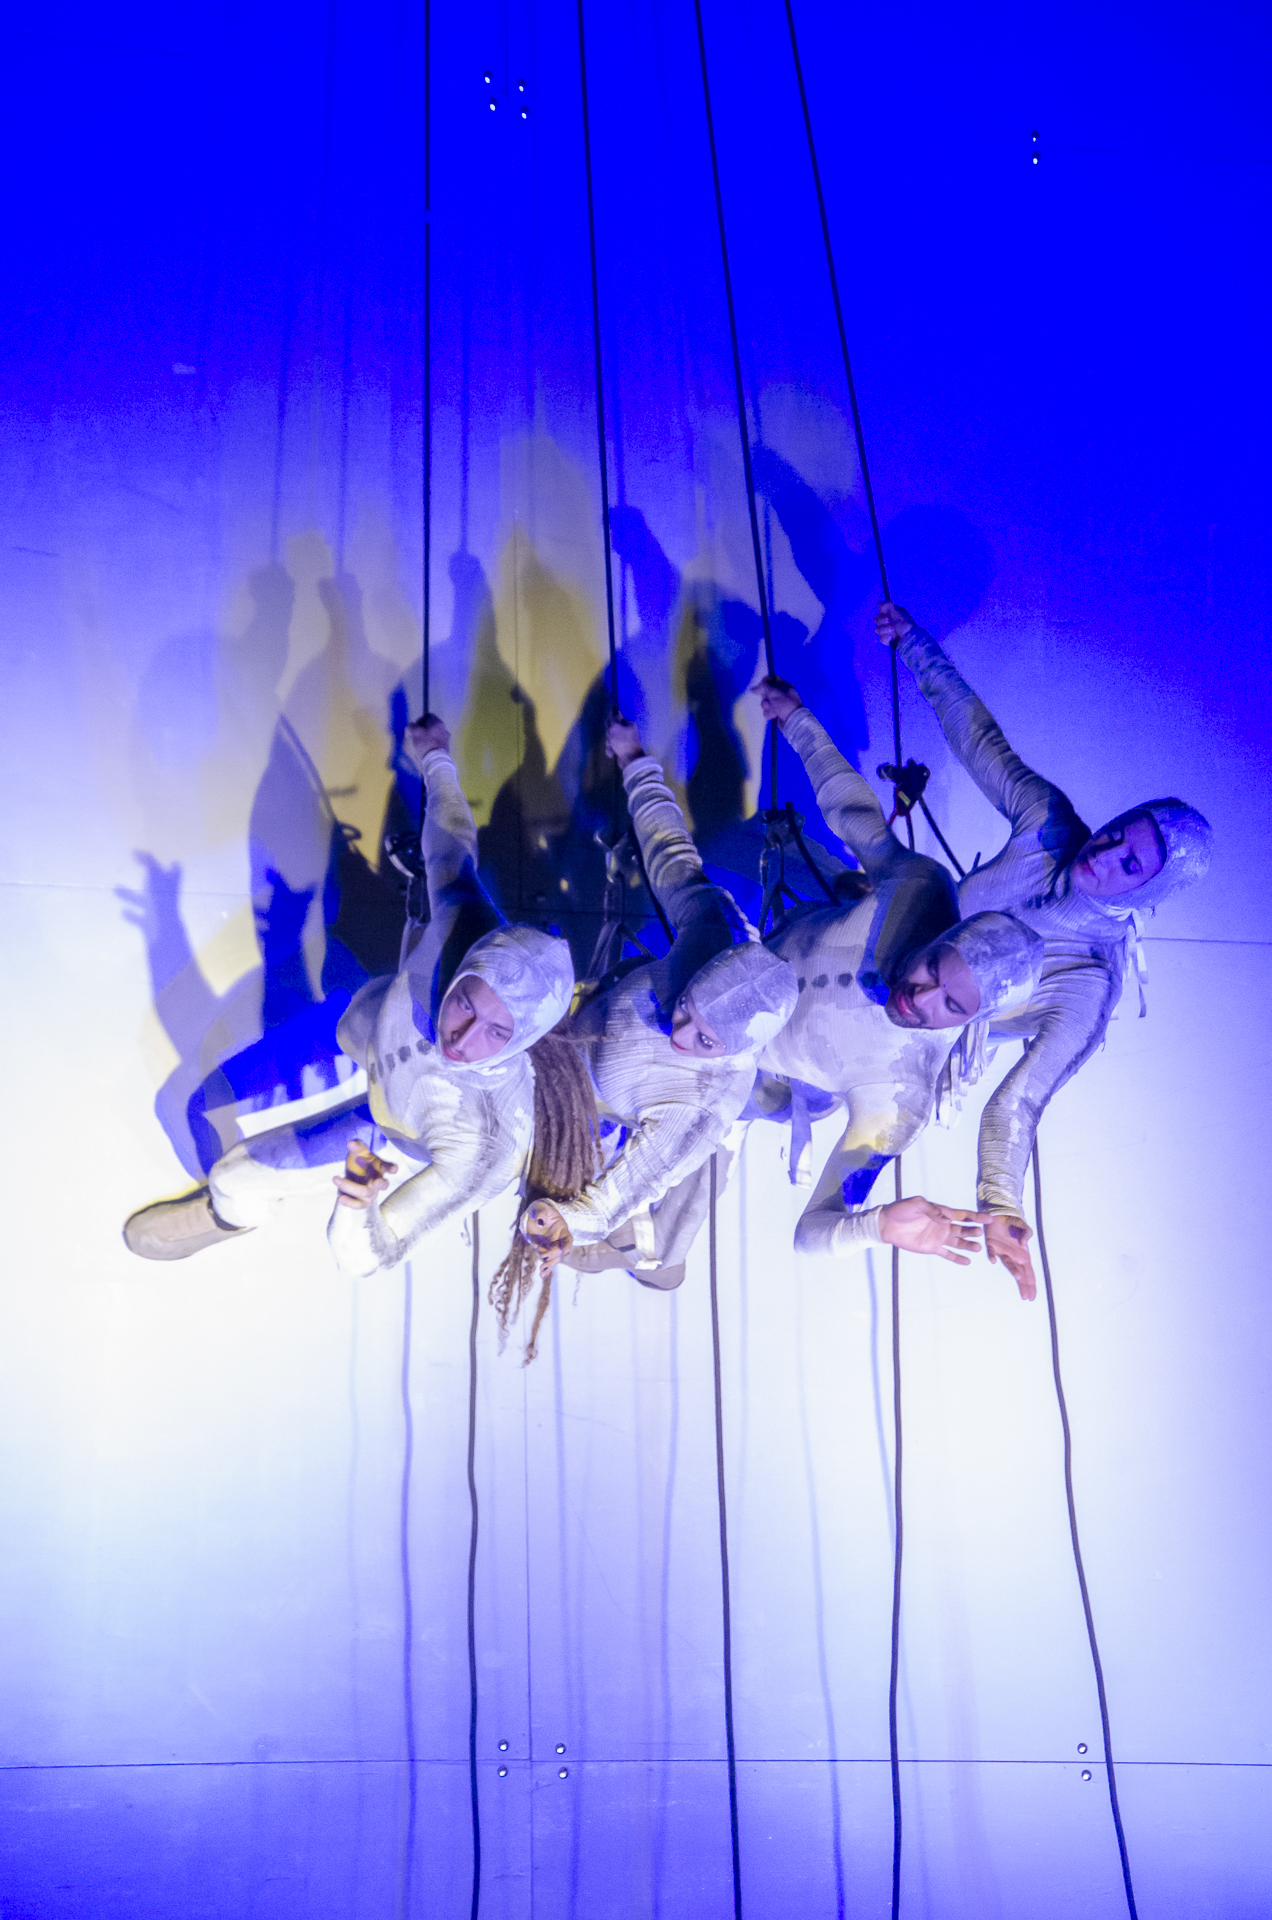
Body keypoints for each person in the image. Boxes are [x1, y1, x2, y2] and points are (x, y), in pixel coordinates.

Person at [123, 715, 576, 1277]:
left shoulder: (484, 1146)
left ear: (520, 1041)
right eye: (465, 1002)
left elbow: (369, 1258)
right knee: (204, 1098)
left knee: (234, 1177)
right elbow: (450, 844)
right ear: (468, 966)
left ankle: (228, 1215)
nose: (460, 1038)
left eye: (496, 1032)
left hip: (393, 1124)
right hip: (363, 1029)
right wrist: (436, 759)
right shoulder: (464, 921)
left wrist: (357, 1205)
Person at [877, 600, 1212, 1296]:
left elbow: (1019, 1103)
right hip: (899, 942)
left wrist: (1001, 1202)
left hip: (914, 1037)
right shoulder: (1051, 823)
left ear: (1144, 892)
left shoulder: (1090, 985)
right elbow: (980, 740)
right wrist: (915, 645)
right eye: (1118, 833)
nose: (1105, 854)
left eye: (1129, 865)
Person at [752, 675, 1047, 1278]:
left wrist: (877, 1226)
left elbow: (811, 1234)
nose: (919, 997)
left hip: (746, 1065)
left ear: (970, 1023)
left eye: (950, 1006)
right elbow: (857, 816)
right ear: (942, 938)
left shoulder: (900, 1100)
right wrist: (798, 721)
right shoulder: (920, 888)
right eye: (934, 967)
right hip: (758, 950)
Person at [518, 717, 799, 1289]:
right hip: (583, 1015)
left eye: (704, 1039)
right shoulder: (714, 930)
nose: (680, 1033)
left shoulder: (704, 1107)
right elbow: (672, 855)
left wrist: (572, 1222)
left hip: (590, 1100)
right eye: (686, 1008)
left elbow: (632, 1185)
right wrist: (635, 763)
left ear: (731, 1050)